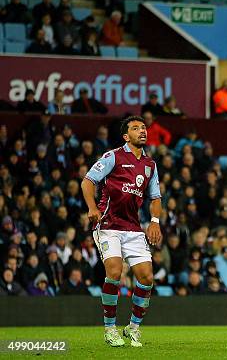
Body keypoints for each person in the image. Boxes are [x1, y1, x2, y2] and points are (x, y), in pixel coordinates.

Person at [81, 115, 162, 347]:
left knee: (147, 277)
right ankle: (109, 329)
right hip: (108, 225)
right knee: (115, 271)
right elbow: (88, 181)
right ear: (126, 136)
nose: (142, 131)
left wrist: (154, 220)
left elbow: (155, 197)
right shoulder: (113, 156)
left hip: (133, 228)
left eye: (144, 127)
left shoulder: (150, 165)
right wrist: (92, 207)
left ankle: (133, 328)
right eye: (136, 128)